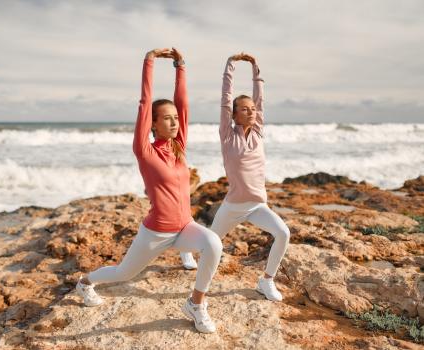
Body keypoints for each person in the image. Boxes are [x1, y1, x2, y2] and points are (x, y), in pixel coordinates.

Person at [76, 48, 223, 333]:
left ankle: (195, 304)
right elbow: (145, 103)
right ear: (153, 124)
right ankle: (85, 282)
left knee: (214, 244)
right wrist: (150, 61)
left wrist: (181, 66)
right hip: (156, 233)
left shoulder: (178, 146)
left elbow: (183, 106)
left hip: (184, 227)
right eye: (166, 118)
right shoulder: (145, 152)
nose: (174, 122)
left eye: (175, 119)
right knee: (124, 273)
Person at [180, 53, 290, 302]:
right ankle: (185, 252)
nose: (251, 112)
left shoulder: (259, 132)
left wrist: (255, 68)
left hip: (257, 205)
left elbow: (260, 100)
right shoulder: (228, 135)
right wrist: (231, 65)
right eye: (244, 109)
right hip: (232, 206)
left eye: (252, 109)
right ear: (234, 114)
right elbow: (225, 98)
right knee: (209, 243)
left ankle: (266, 281)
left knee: (283, 233)